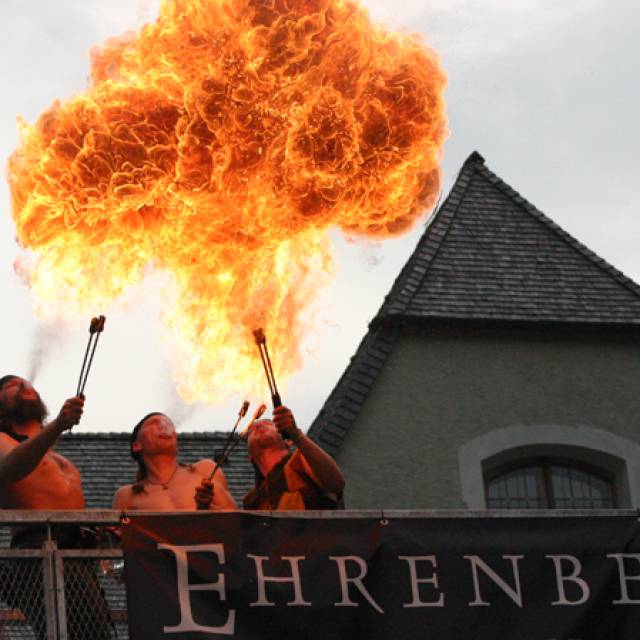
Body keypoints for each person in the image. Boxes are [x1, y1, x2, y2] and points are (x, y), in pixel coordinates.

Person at [0, 374, 113, 640]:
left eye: (26, 382)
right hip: (39, 549)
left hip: (78, 556)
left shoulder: (65, 462)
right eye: (11, 385)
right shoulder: (2, 442)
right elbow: (11, 468)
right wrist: (59, 424)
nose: (24, 385)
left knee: (95, 634)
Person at [112, 412, 238, 511]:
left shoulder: (206, 470)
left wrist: (208, 508)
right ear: (136, 445)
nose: (163, 426)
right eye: (154, 423)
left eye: (168, 424)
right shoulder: (126, 496)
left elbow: (237, 524)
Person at [243, 405, 345, 510]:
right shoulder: (254, 501)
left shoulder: (301, 460)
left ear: (288, 441)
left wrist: (296, 435)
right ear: (250, 457)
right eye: (251, 431)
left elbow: (336, 484)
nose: (259, 425)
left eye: (268, 424)